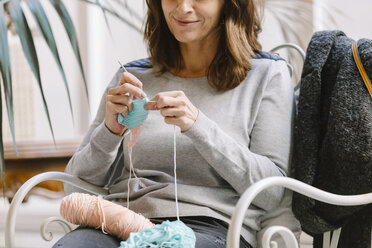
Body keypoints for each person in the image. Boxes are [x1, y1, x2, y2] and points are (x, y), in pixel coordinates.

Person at [55, 0, 300, 247]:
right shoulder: (131, 77)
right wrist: (110, 131)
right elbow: (75, 188)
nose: (183, 7)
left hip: (212, 227)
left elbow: (272, 194)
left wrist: (198, 126)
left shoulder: (267, 76)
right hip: (119, 223)